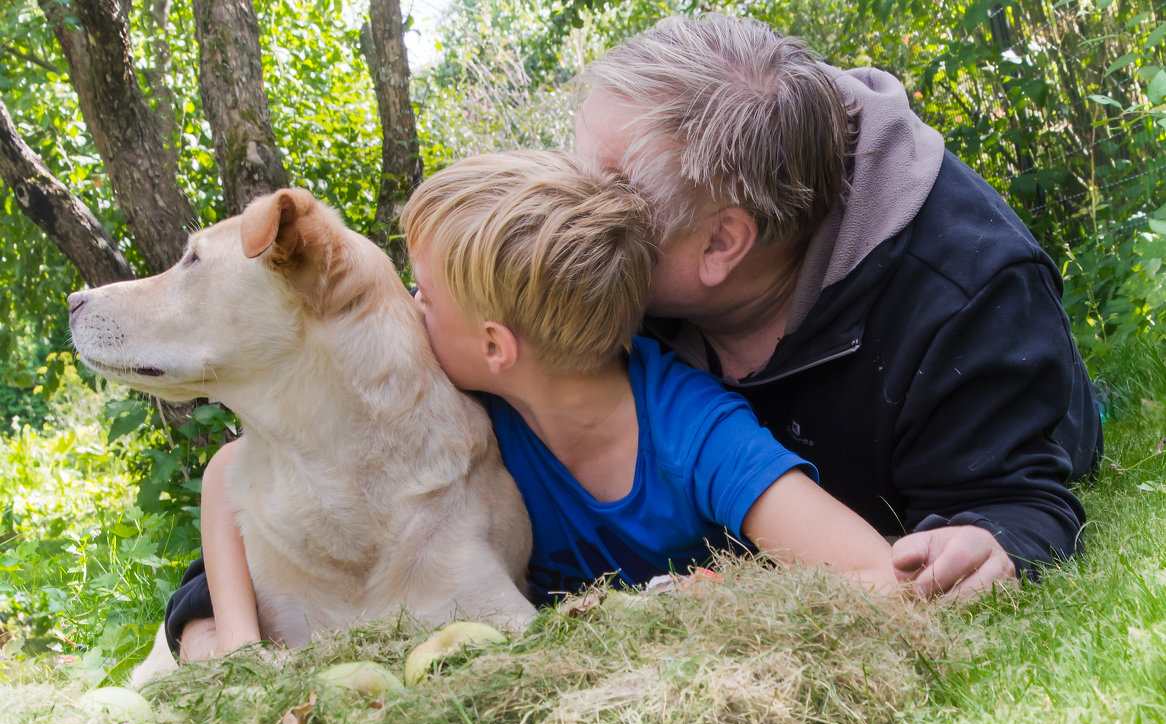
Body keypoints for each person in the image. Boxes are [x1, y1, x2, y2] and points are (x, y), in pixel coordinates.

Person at [174, 150, 897, 659]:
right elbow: (228, 471)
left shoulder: (694, 434)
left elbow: (880, 575)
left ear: (495, 345)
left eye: (421, 294)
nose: (405, 310)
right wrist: (230, 639)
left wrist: (735, 604)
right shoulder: (466, 407)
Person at [573, 13, 1102, 600]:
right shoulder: (661, 229)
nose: (564, 204)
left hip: (1000, 411)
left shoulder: (967, 294)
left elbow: (1014, 501)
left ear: (720, 243)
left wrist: (991, 540)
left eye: (604, 191)